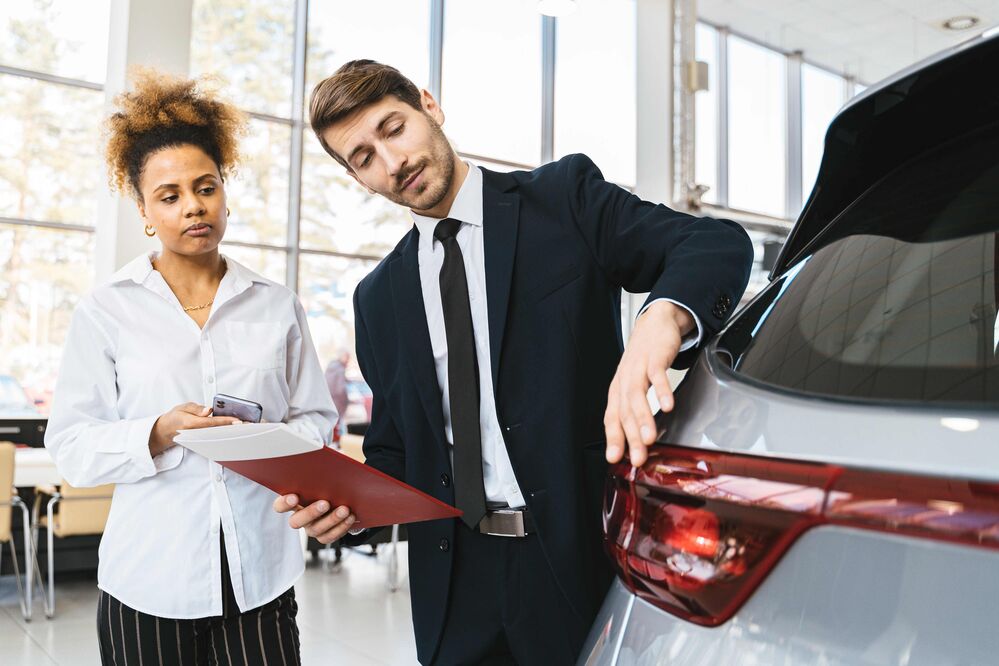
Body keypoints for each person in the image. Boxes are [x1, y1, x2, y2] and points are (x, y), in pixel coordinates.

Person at [275, 60, 753, 664]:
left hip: (575, 561)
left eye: (393, 129)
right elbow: (398, 454)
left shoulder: (563, 200)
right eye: (364, 158)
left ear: (429, 105)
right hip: (454, 585)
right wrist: (350, 514)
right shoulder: (378, 298)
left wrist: (656, 326)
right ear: (356, 177)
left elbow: (714, 244)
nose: (392, 162)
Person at [45, 70, 337, 665]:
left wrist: (266, 443)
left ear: (224, 191)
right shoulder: (106, 310)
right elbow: (71, 445)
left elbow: (316, 418)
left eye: (205, 188)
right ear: (144, 209)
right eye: (169, 196)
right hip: (150, 578)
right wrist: (159, 431)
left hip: (260, 574)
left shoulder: (276, 304)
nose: (193, 207)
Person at [324, 350, 351, 435]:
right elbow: (340, 389)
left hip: (328, 400)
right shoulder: (340, 369)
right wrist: (347, 401)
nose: (348, 360)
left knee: (330, 425)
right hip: (338, 402)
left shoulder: (331, 367)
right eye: (347, 357)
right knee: (339, 427)